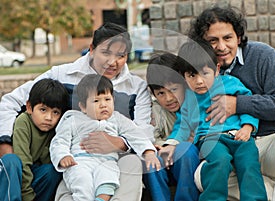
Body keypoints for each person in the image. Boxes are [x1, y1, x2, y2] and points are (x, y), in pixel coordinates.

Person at [0, 22, 153, 201]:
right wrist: (5, 143)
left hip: (115, 161)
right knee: (71, 177)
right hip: (76, 159)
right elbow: (10, 102)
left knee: (133, 163)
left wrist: (118, 143)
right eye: (105, 53)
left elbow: (144, 133)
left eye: (121, 55)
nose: (113, 62)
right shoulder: (62, 75)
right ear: (92, 49)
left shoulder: (136, 87)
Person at [188, 5, 275, 201]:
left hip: (268, 145)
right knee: (201, 177)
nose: (221, 47)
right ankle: (273, 191)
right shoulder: (197, 73)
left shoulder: (262, 55)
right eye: (212, 40)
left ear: (238, 37)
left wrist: (237, 104)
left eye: (227, 38)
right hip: (227, 154)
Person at [167, 40, 267, 200]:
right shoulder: (188, 98)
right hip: (210, 139)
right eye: (192, 75)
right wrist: (170, 143)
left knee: (249, 163)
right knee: (219, 161)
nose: (199, 81)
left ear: (217, 69)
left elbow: (247, 105)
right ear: (184, 76)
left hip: (239, 135)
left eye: (204, 73)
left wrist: (248, 127)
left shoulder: (231, 84)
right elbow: (182, 125)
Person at [50, 74, 160, 201]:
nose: (103, 105)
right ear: (83, 107)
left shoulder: (117, 119)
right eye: (96, 101)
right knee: (82, 183)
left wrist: (149, 151)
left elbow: (135, 134)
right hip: (80, 162)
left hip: (107, 161)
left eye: (107, 100)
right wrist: (63, 156)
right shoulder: (73, 120)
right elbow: (59, 141)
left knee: (109, 179)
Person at [144, 52, 200, 201]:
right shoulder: (154, 111)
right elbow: (150, 137)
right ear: (154, 94)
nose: (168, 98)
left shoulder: (195, 104)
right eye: (161, 93)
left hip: (188, 164)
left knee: (186, 150)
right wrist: (162, 147)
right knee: (150, 158)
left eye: (174, 89)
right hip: (163, 163)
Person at [12, 78, 69, 201]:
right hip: (20, 177)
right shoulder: (24, 121)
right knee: (13, 163)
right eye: (43, 110)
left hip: (38, 175)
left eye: (55, 112)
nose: (49, 117)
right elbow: (23, 161)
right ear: (29, 107)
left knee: (52, 171)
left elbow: (48, 160)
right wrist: (28, 196)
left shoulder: (57, 127)